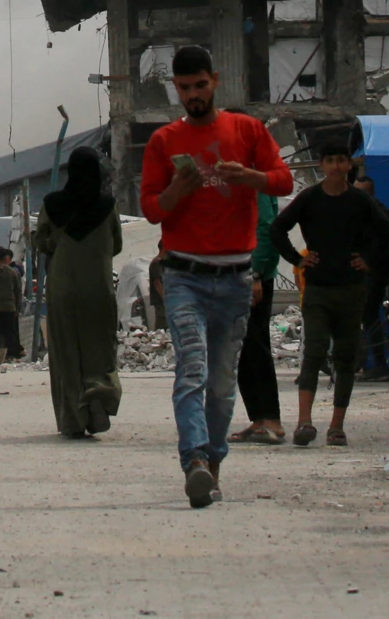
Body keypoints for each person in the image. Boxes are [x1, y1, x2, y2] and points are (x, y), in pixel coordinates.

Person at [140, 45, 293, 509]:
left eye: (199, 86)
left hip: (234, 276)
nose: (193, 96)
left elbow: (282, 180)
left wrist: (249, 176)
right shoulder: (164, 141)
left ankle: (214, 465)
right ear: (176, 90)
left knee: (223, 383)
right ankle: (194, 462)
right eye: (184, 88)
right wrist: (176, 191)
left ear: (215, 80)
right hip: (184, 274)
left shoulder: (247, 130)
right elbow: (151, 210)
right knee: (191, 370)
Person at [271, 144, 389, 448]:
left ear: (349, 165)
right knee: (314, 352)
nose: (336, 167)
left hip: (351, 288)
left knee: (346, 357)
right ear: (322, 164)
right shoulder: (309, 198)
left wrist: (369, 259)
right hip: (319, 288)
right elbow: (277, 229)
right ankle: (304, 421)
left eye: (341, 160)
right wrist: (298, 259)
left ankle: (336, 426)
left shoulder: (361, 200)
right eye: (330, 161)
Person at [38, 146, 122, 438]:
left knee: (65, 353)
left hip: (62, 285)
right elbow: (118, 244)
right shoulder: (108, 205)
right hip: (97, 285)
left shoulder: (51, 203)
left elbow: (42, 243)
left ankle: (73, 418)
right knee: (99, 347)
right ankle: (98, 397)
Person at [230, 191, 285, 445]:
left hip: (253, 273)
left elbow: (265, 227)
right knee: (240, 346)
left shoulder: (254, 180)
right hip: (233, 269)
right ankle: (258, 418)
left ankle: (271, 417)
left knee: (256, 342)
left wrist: (257, 273)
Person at [350, 164, 389, 378]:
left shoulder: (377, 211)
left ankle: (379, 364)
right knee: (366, 315)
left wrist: (375, 258)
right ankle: (367, 363)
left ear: (371, 193)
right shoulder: (361, 212)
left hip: (374, 274)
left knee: (369, 314)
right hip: (363, 273)